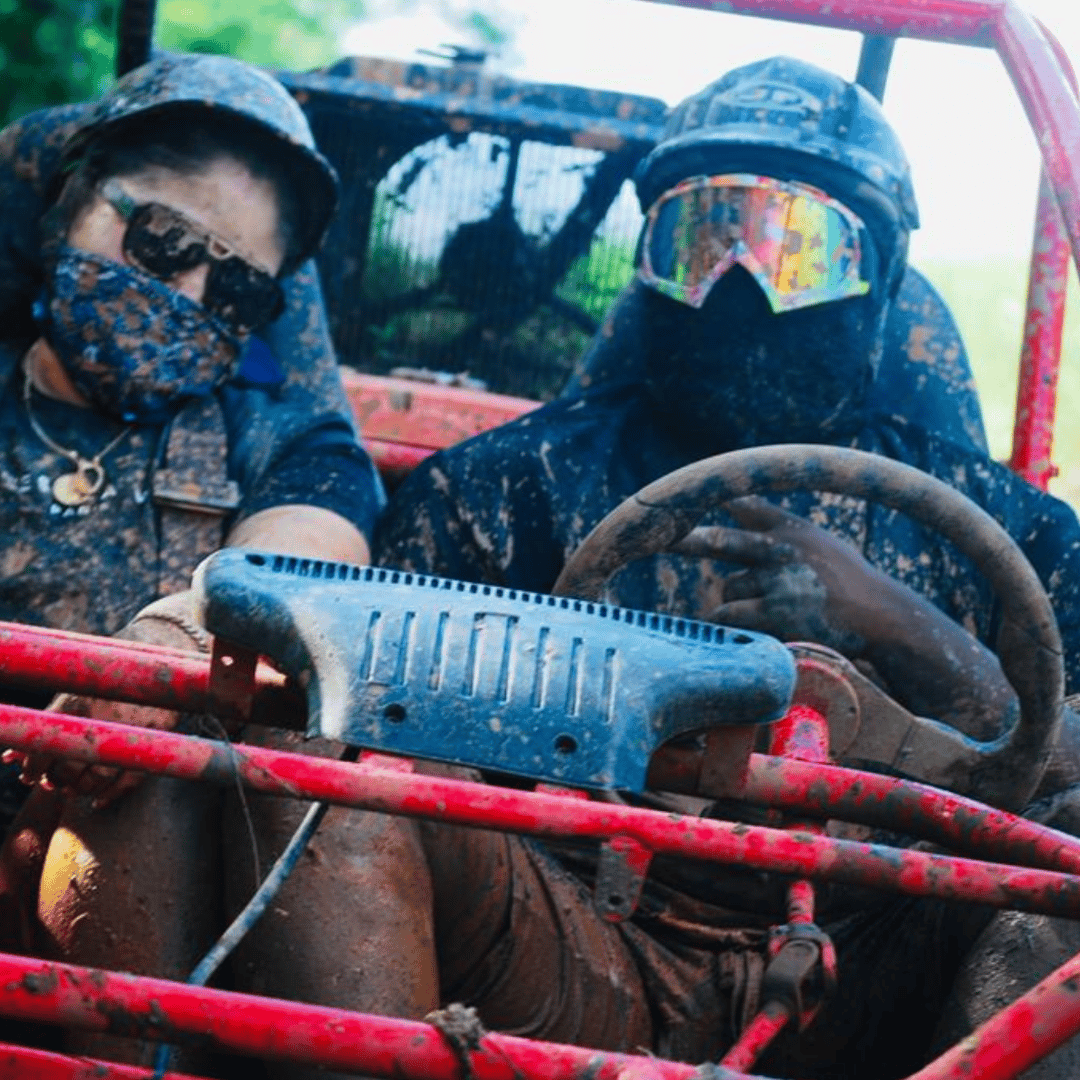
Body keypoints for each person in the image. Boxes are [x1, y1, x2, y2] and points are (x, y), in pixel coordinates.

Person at [366, 57, 1080, 1080]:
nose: (740, 279)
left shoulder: (1011, 534)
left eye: (798, 247)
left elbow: (1067, 769)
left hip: (894, 953)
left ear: (881, 272)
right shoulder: (501, 489)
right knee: (359, 790)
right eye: (700, 239)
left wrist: (895, 622)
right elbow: (384, 725)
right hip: (575, 936)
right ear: (646, 262)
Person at [0, 50, 383, 1061]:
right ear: (75, 202)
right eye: (163, 240)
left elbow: (319, 532)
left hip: (93, 875)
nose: (190, 290)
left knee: (164, 780)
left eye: (239, 288)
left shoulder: (268, 436)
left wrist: (180, 633)